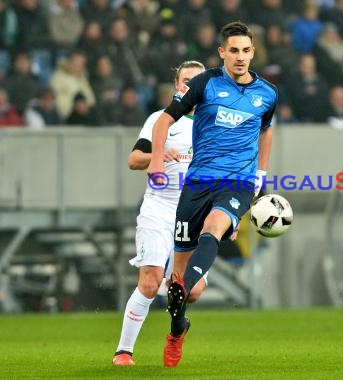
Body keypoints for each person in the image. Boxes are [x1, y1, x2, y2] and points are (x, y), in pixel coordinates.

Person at [147, 21, 277, 367]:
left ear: (253, 52)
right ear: (222, 53)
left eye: (246, 50)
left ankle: (182, 287)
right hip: (198, 183)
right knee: (182, 280)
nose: (240, 57)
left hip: (238, 182)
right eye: (233, 50)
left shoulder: (267, 93)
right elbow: (164, 120)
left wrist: (260, 176)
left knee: (214, 229)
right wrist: (156, 161)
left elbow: (265, 131)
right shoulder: (204, 84)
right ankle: (178, 326)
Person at [112, 60, 207, 366]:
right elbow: (133, 159)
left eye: (198, 80)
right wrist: (156, 153)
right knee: (151, 281)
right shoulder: (160, 119)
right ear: (178, 85)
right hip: (159, 208)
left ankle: (179, 325)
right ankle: (124, 352)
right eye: (186, 80)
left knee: (190, 292)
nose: (191, 85)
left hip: (194, 214)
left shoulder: (215, 123)